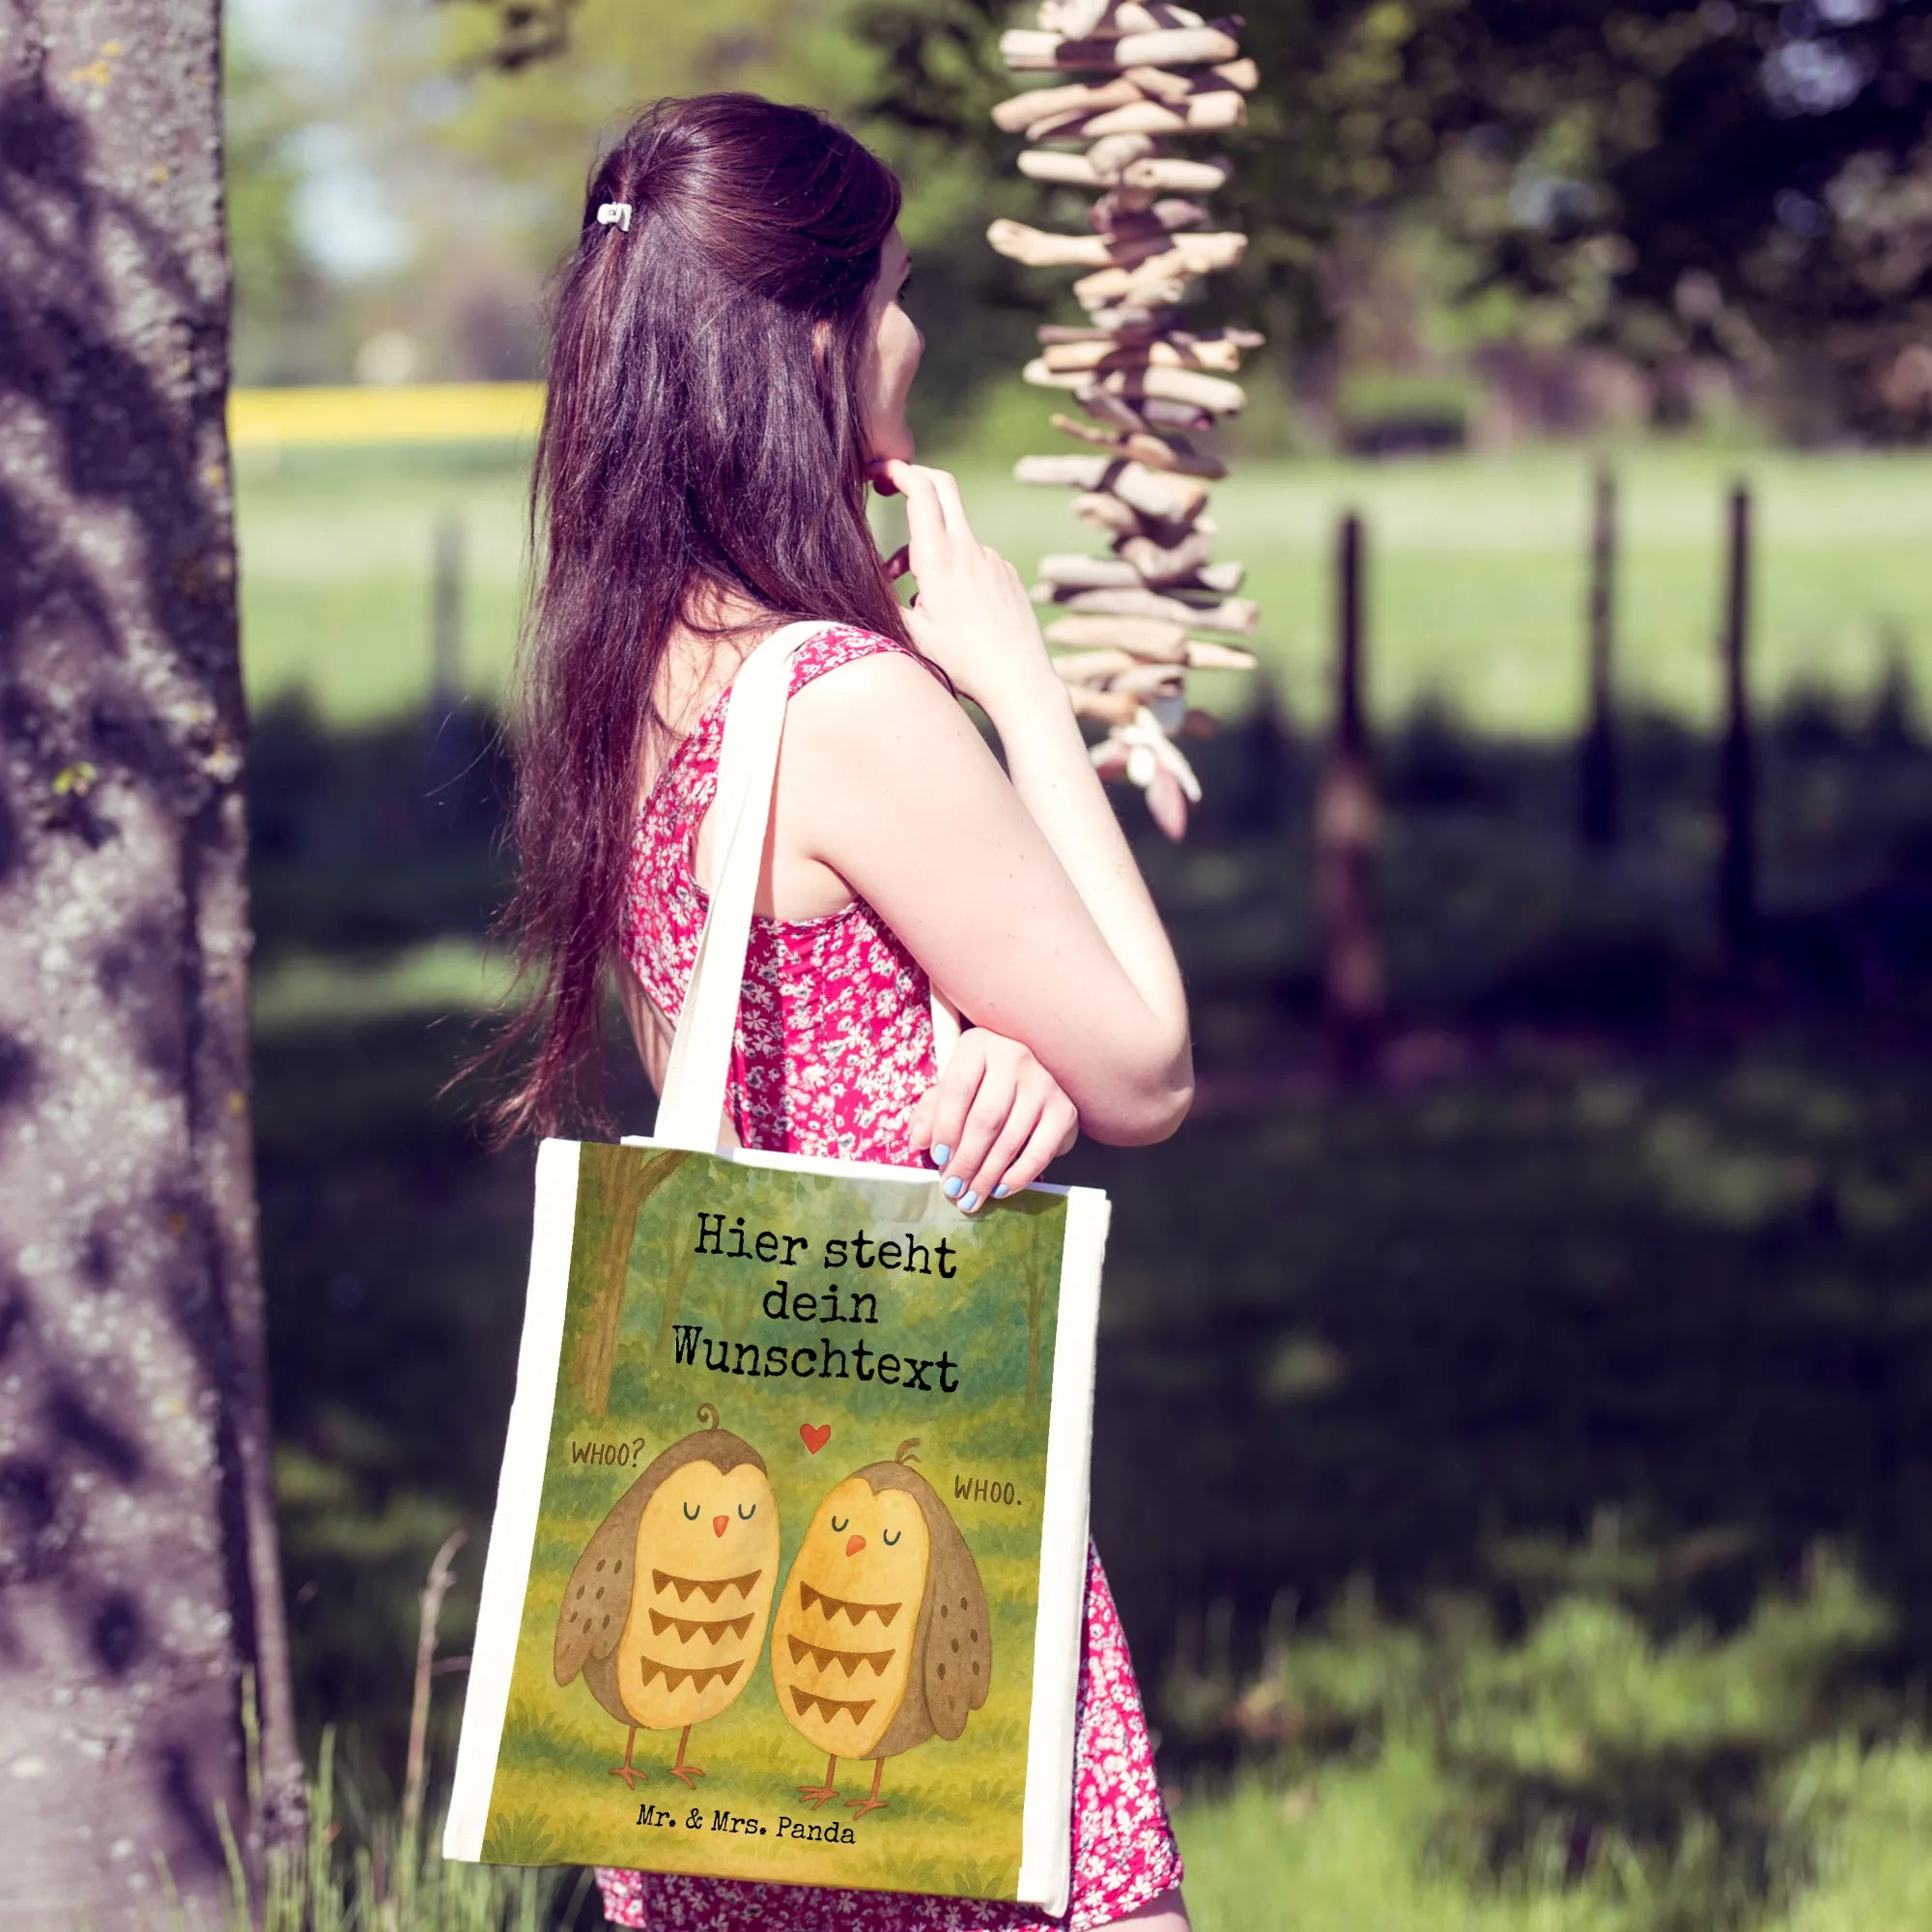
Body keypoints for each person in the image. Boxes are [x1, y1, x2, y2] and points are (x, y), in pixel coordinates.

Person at [472, 91, 1196, 1932]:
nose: (914, 336)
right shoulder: (852, 705)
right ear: (810, 338)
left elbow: (746, 1041)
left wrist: (984, 1034)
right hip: (902, 1500)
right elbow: (1147, 1065)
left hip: (725, 1630)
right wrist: (1022, 693)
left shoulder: (635, 667)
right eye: (891, 293)